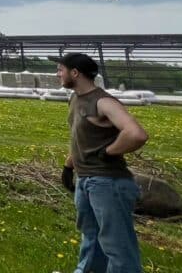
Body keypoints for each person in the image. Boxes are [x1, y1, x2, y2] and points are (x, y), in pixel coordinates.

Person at [53, 53, 148, 273]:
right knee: (91, 235)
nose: (58, 74)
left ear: (75, 73)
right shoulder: (75, 99)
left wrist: (109, 152)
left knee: (117, 244)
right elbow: (80, 138)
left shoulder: (103, 102)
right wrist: (69, 166)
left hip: (108, 182)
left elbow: (136, 134)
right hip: (86, 180)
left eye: (61, 69)